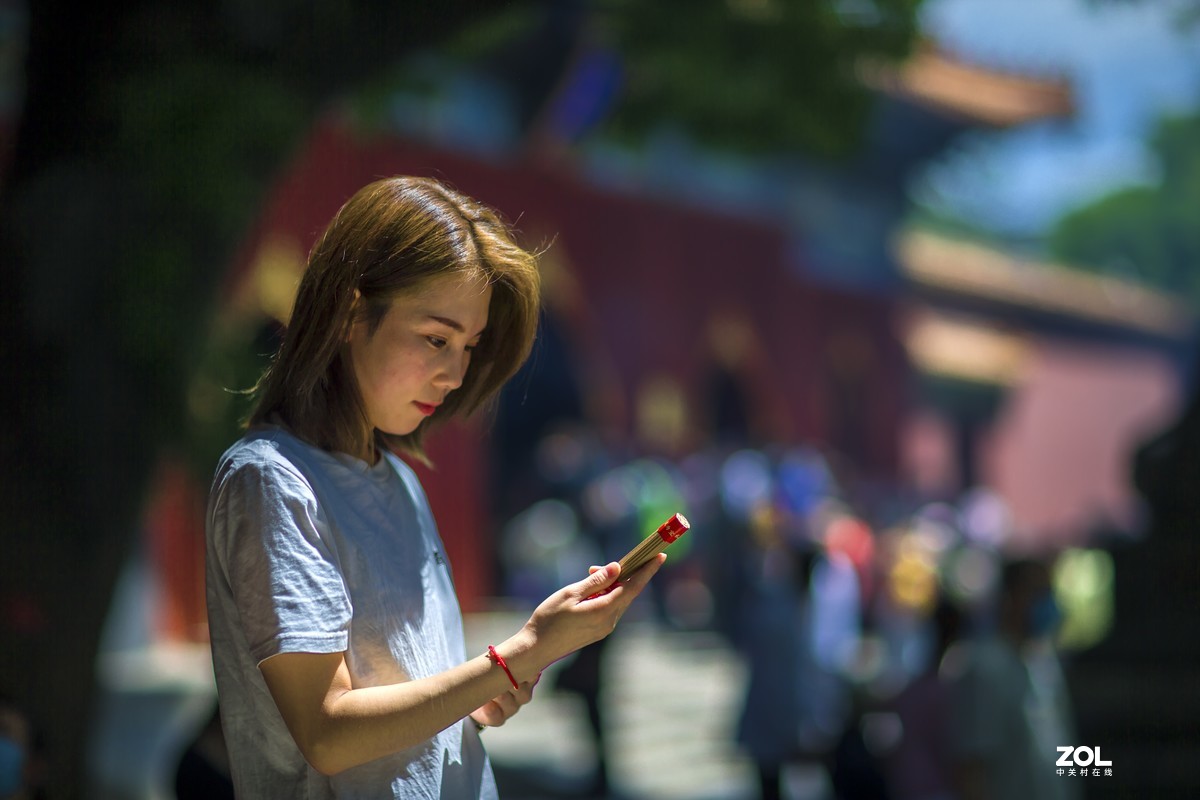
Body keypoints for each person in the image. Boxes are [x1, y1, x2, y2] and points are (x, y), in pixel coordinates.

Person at [204, 176, 665, 799]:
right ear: (349, 313)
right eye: (435, 339)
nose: (454, 373)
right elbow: (328, 733)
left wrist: (485, 693)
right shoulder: (273, 481)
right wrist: (518, 654)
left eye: (469, 347)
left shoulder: (397, 479)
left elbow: (404, 690)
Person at [944, 557, 1078, 800]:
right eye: (1038, 593)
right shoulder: (985, 667)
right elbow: (973, 768)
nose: (1047, 603)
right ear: (1010, 598)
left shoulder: (1046, 666)